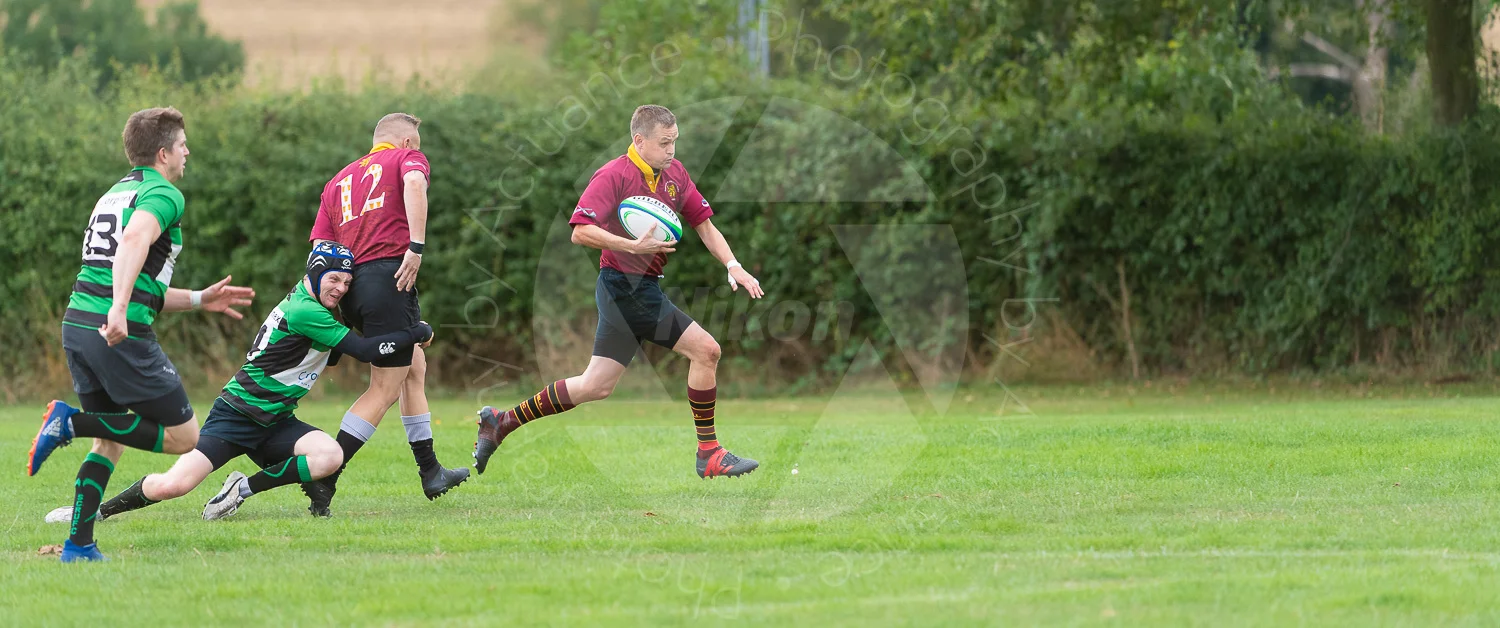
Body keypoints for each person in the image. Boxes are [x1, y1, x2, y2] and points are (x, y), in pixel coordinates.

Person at [44, 243, 435, 525]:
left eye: (348, 283)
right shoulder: (305, 310)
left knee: (329, 457)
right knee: (173, 485)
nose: (341, 288)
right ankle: (97, 511)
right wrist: (414, 330)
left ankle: (239, 490)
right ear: (314, 273)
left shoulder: (314, 305)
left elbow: (334, 354)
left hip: (276, 419)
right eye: (334, 278)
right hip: (236, 415)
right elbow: (366, 351)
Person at [473, 104, 763, 479]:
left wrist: (732, 264)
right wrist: (631, 247)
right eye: (664, 143)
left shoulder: (675, 173)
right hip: (625, 286)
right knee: (707, 351)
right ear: (639, 140)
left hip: (632, 287)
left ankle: (501, 422)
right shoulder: (613, 175)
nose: (672, 150)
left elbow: (704, 224)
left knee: (595, 385)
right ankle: (709, 453)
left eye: (675, 141)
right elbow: (580, 231)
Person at [27, 107, 256, 562]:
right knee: (185, 436)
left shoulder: (115, 192)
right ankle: (68, 422)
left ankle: (78, 544)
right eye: (183, 144)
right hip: (116, 330)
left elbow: (138, 280)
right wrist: (117, 310)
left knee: (108, 443)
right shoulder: (164, 192)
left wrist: (197, 300)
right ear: (162, 152)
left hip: (79, 323)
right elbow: (133, 243)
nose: (187, 151)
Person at [305, 112, 467, 514]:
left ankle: (430, 472)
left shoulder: (337, 181)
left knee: (415, 367)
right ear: (408, 143)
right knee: (383, 387)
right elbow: (414, 183)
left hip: (350, 285)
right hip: (389, 278)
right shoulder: (406, 160)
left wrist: (331, 303)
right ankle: (325, 479)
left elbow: (318, 251)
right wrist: (416, 247)